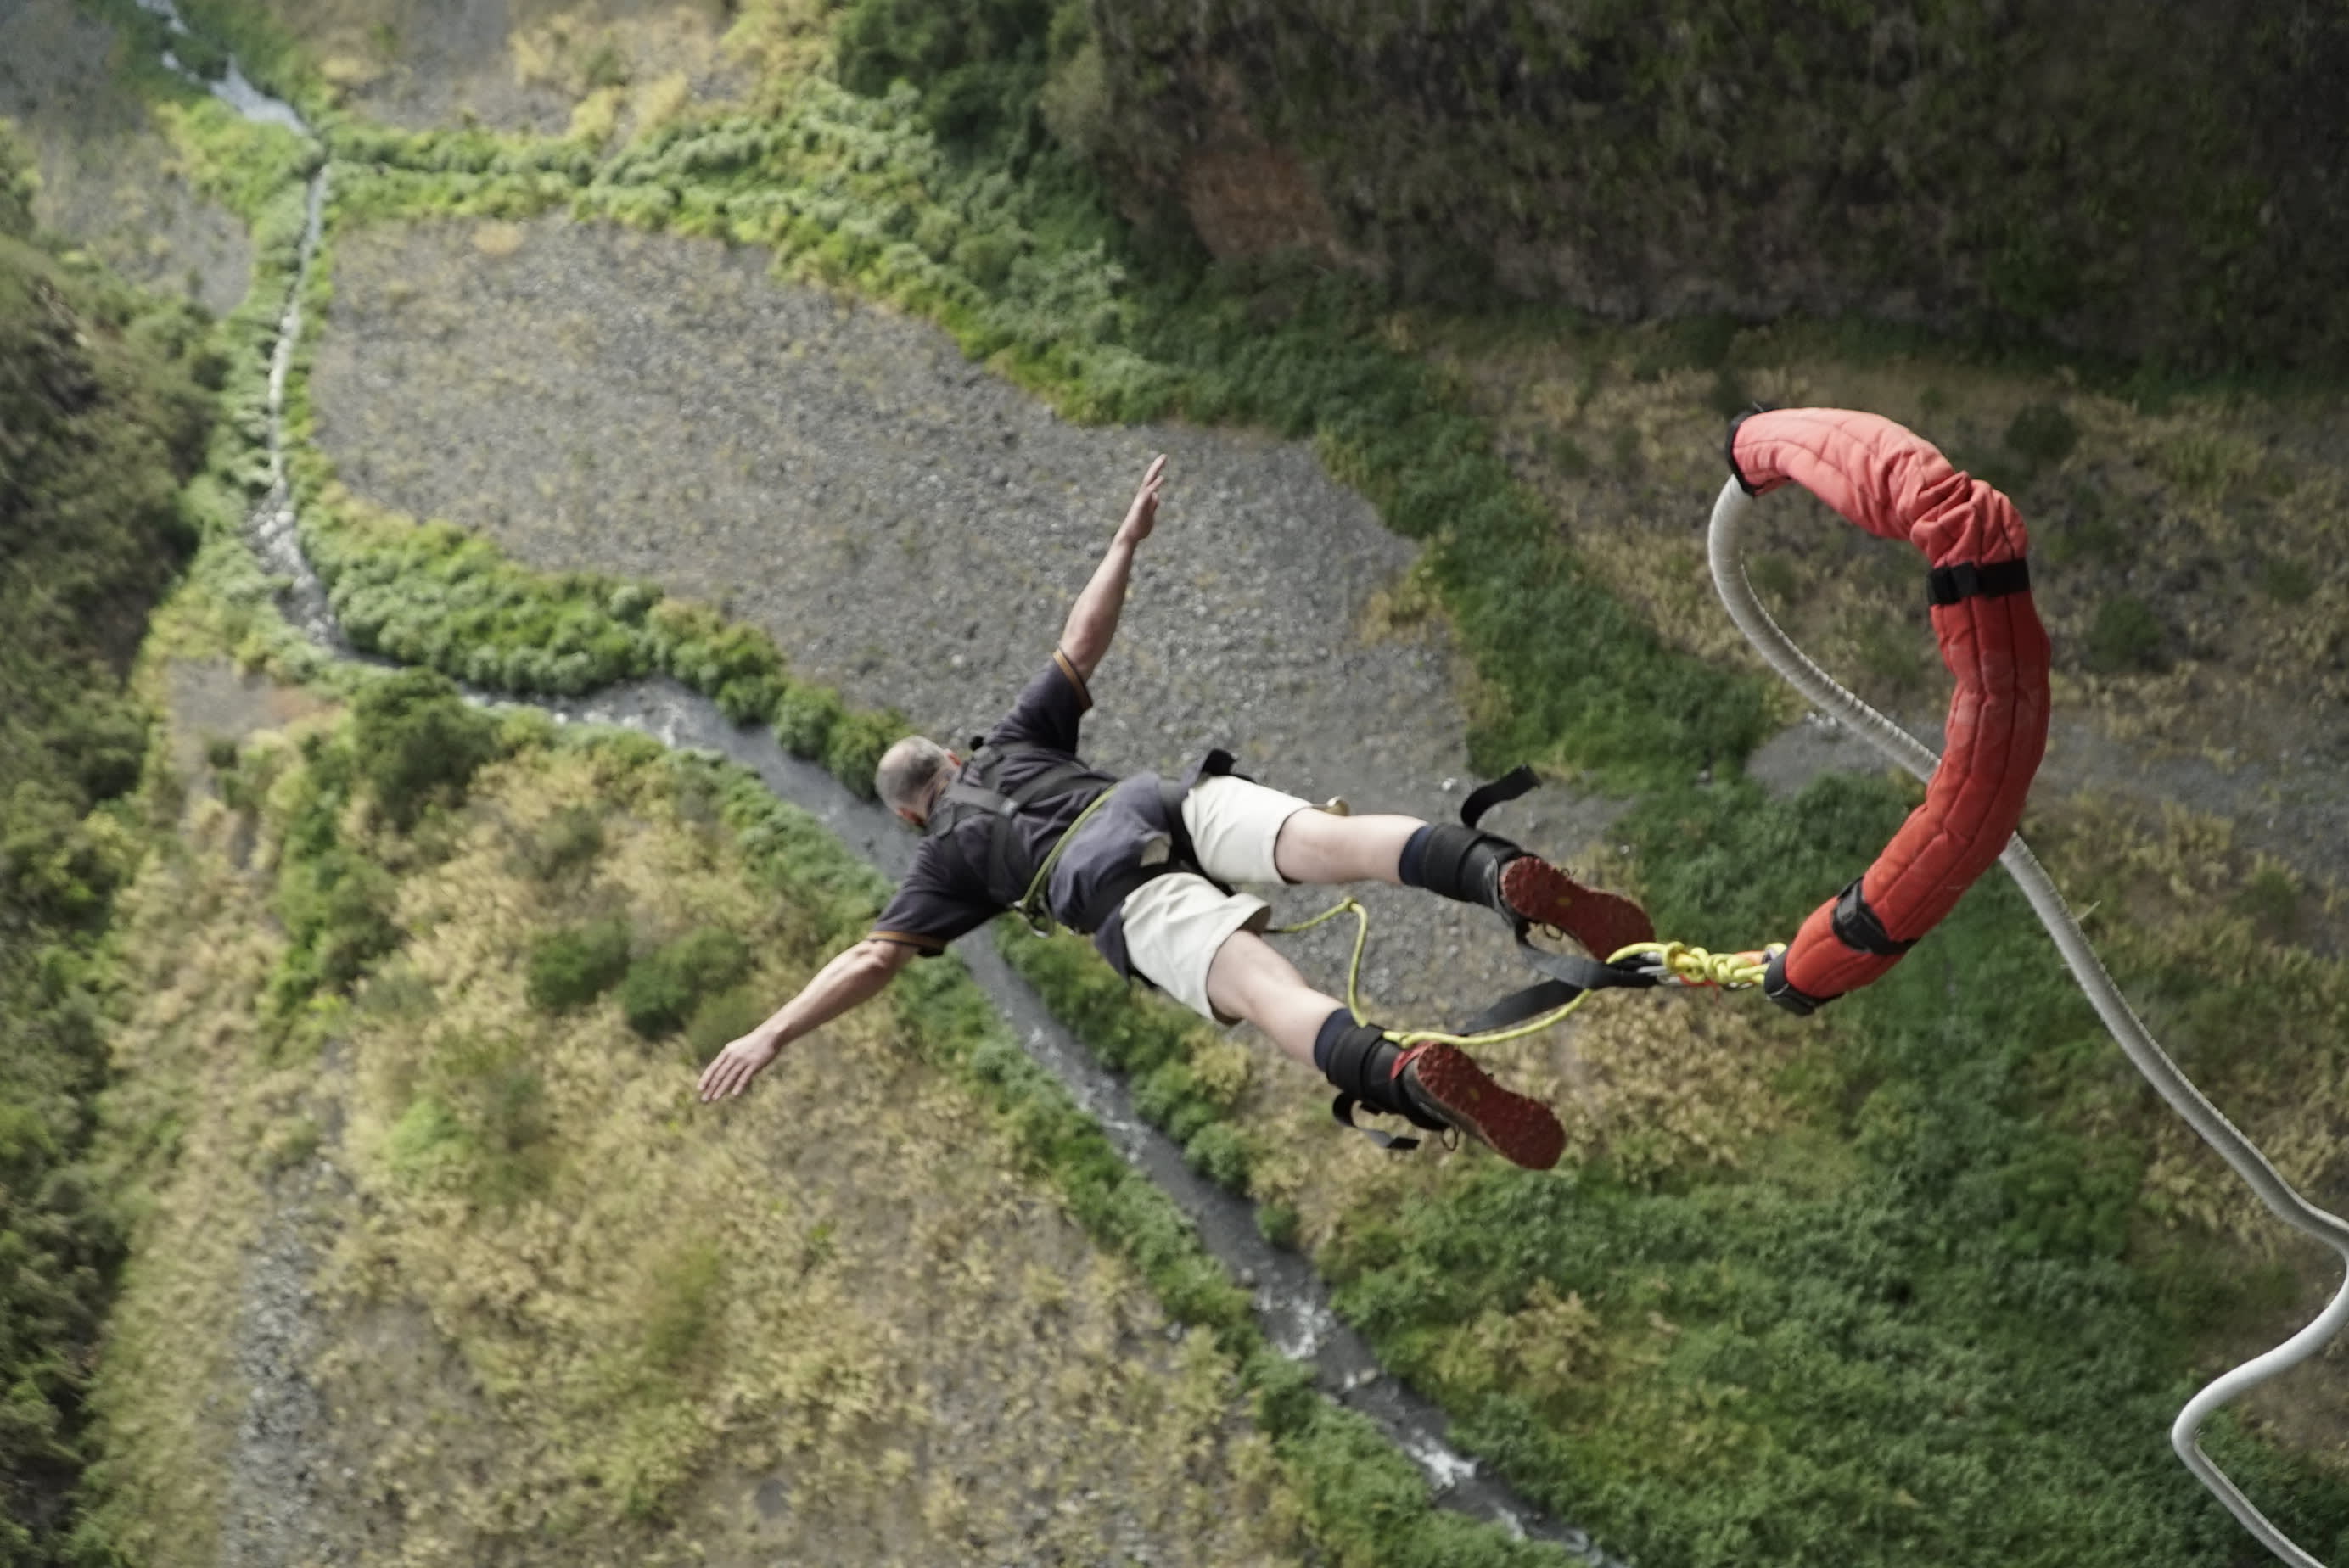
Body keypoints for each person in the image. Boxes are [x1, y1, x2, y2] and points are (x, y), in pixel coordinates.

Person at [695, 456, 1649, 1169]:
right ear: (952, 756)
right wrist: (1122, 544)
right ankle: (1495, 874)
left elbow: (872, 958)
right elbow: (1081, 639)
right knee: (1342, 843)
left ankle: (1402, 1075)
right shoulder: (1013, 738)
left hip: (1119, 892)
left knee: (1271, 995)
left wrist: (770, 1032)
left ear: (911, 816)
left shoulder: (939, 863)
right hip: (1165, 804)